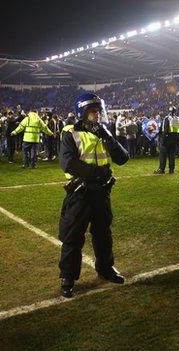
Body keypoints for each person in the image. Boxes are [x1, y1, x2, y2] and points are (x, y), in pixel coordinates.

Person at [58, 92, 129, 298]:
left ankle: (106, 268)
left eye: (99, 111)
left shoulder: (103, 132)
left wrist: (108, 137)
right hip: (81, 192)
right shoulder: (70, 132)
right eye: (94, 111)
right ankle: (68, 277)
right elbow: (68, 163)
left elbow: (123, 158)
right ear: (83, 112)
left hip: (102, 192)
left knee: (103, 233)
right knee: (72, 236)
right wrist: (98, 173)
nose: (98, 115)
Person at [154, 106, 179, 174]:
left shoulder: (167, 118)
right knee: (172, 155)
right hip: (174, 139)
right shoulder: (178, 119)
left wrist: (163, 140)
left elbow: (165, 130)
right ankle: (171, 169)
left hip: (167, 139)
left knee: (162, 155)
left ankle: (161, 169)